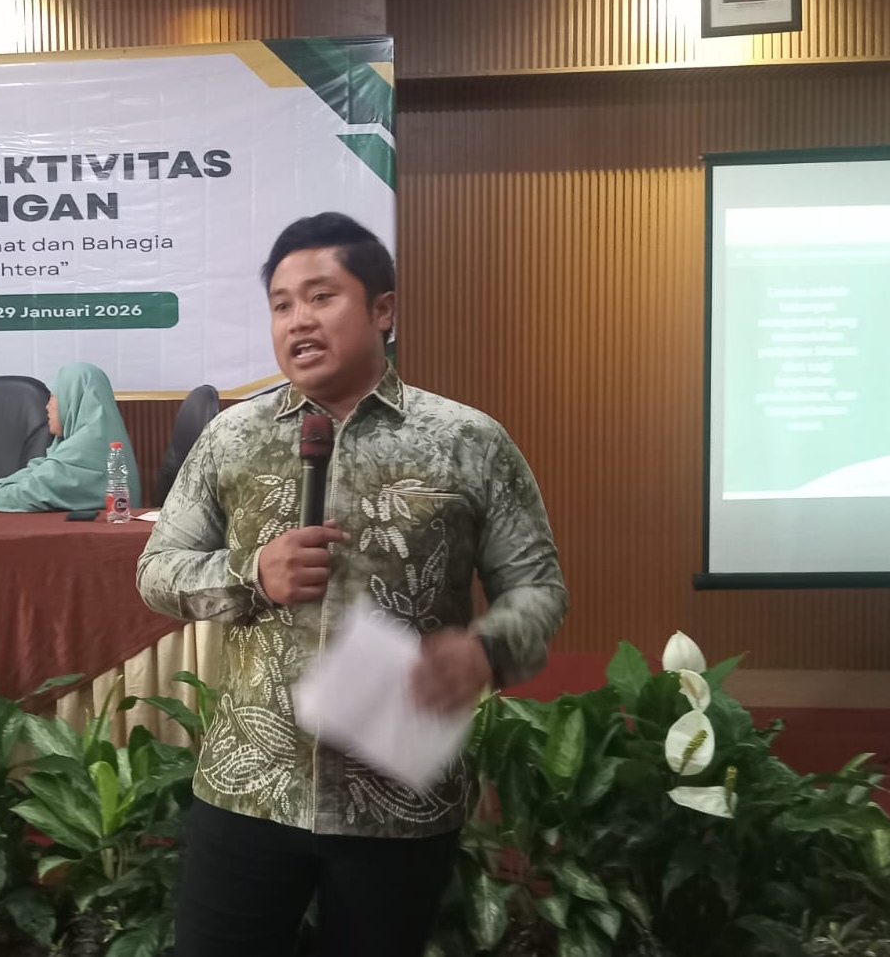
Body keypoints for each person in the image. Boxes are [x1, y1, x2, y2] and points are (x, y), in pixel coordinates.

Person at [136, 212, 567, 957]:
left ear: (383, 310)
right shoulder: (231, 437)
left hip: (397, 796)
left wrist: (486, 650)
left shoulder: (467, 441)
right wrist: (251, 573)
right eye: (281, 304)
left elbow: (538, 587)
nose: (298, 320)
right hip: (250, 787)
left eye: (321, 296)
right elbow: (157, 570)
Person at [0, 361, 140, 512]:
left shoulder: (92, 447)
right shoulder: (70, 446)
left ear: (74, 401)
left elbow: (37, 488)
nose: (47, 406)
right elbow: (33, 475)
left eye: (53, 398)